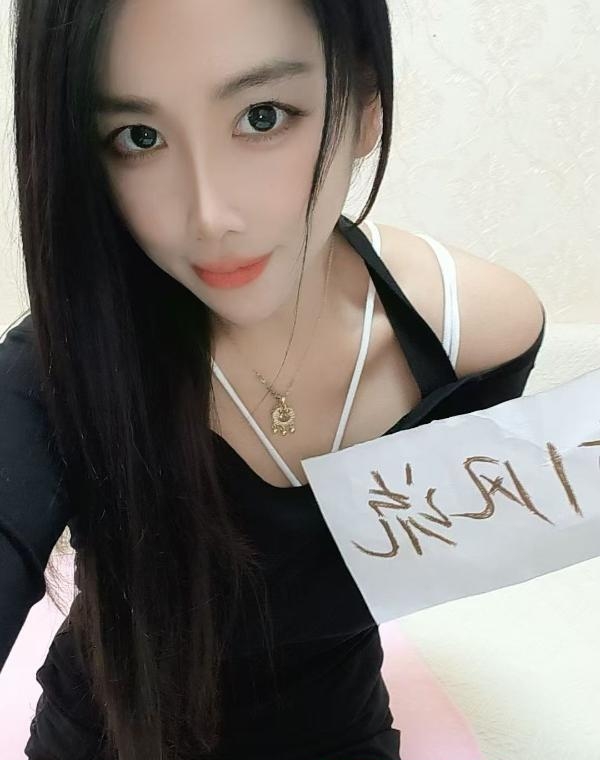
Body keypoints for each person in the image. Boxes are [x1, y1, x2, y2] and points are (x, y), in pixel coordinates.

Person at [0, 0, 545, 758]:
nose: (209, 216)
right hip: (113, 731)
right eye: (138, 137)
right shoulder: (57, 365)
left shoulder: (472, 339)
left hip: (337, 731)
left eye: (262, 116)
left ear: (364, 107)